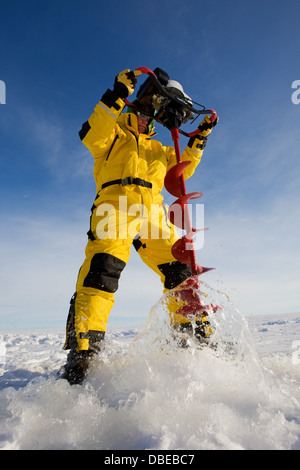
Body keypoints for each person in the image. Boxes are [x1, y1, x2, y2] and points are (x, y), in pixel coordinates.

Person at [60, 69, 218, 384]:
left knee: (179, 272)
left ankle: (192, 337)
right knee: (101, 272)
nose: (148, 118)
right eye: (143, 111)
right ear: (133, 109)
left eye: (152, 115)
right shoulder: (113, 136)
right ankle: (84, 354)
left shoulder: (158, 148)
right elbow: (92, 133)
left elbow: (183, 166)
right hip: (113, 206)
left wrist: (200, 136)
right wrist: (119, 92)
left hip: (153, 214)